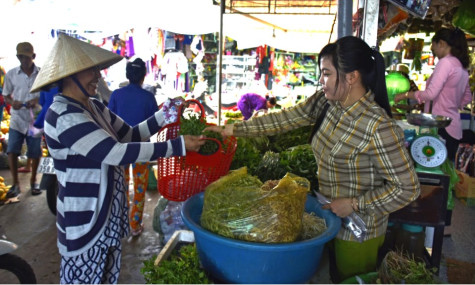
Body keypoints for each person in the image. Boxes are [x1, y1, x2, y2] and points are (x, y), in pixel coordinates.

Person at [205, 36, 421, 282]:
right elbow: (286, 118)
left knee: (350, 279)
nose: (321, 81)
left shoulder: (377, 126)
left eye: (327, 73)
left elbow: (408, 188)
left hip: (358, 230)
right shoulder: (328, 104)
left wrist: (354, 203)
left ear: (352, 77)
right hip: (328, 217)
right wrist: (231, 130)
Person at [29, 33, 205, 284]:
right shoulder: (62, 115)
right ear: (71, 75)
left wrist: (165, 113)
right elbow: (115, 152)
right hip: (85, 222)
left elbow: (130, 135)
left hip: (107, 216)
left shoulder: (95, 107)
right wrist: (177, 146)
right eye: (91, 70)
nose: (98, 76)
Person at [395, 27, 472, 162]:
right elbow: (467, 98)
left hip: (440, 127)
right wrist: (450, 104)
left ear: (441, 43)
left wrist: (406, 95)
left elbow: (430, 94)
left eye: (434, 48)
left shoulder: (446, 63)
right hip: (454, 126)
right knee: (447, 169)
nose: (434, 52)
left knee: (434, 168)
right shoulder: (461, 66)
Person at [108, 57, 158, 237]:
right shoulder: (149, 97)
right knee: (139, 187)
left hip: (119, 148)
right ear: (143, 76)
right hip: (141, 149)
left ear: (127, 75)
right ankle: (135, 225)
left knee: (120, 185)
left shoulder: (116, 95)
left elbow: (109, 120)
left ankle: (120, 222)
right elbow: (155, 123)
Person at [2, 42, 42, 197]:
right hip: (17, 119)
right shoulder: (12, 74)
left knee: (35, 152)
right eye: (20, 57)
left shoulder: (41, 74)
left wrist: (37, 100)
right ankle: (16, 183)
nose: (23, 60)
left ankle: (33, 181)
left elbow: (48, 92)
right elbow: (6, 95)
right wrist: (13, 103)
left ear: (33, 56)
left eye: (26, 57)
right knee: (12, 150)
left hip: (35, 118)